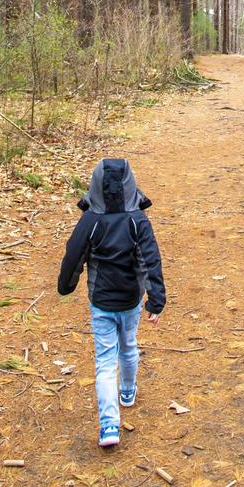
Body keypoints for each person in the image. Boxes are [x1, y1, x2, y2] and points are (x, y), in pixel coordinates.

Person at [57, 157, 166, 447]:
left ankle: (109, 426)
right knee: (128, 345)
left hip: (102, 302)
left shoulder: (90, 221)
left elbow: (73, 255)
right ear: (131, 185)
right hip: (130, 299)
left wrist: (66, 285)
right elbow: (151, 259)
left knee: (105, 361)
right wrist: (155, 301)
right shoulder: (138, 220)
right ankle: (127, 390)